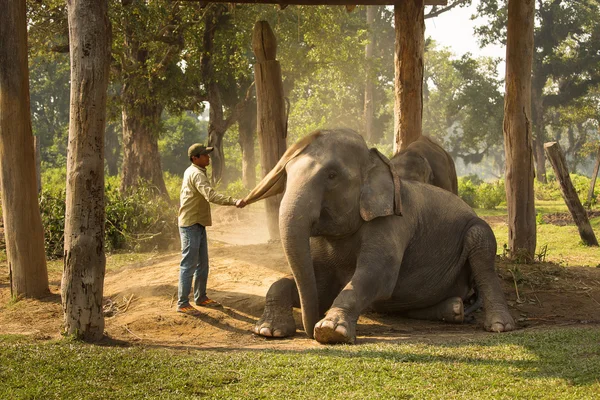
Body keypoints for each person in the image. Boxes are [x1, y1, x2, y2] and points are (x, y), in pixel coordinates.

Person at [176, 143, 246, 314]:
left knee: (202, 264)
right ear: (195, 158)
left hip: (197, 222)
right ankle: (183, 303)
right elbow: (211, 195)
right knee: (189, 265)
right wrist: (233, 201)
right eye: (205, 155)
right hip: (191, 224)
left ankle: (200, 297)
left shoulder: (195, 171)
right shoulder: (196, 174)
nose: (208, 158)